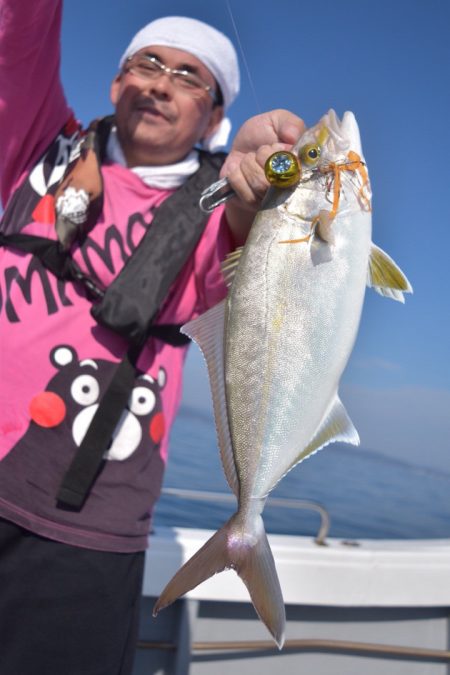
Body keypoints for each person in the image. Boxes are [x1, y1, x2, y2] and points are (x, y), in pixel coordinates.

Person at [0, 3, 304, 674]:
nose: (161, 83)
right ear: (115, 84)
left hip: (83, 533)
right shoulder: (35, 145)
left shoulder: (215, 203)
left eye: (189, 76)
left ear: (216, 117)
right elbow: (15, 33)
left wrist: (258, 191)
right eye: (147, 63)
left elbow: (250, 247)